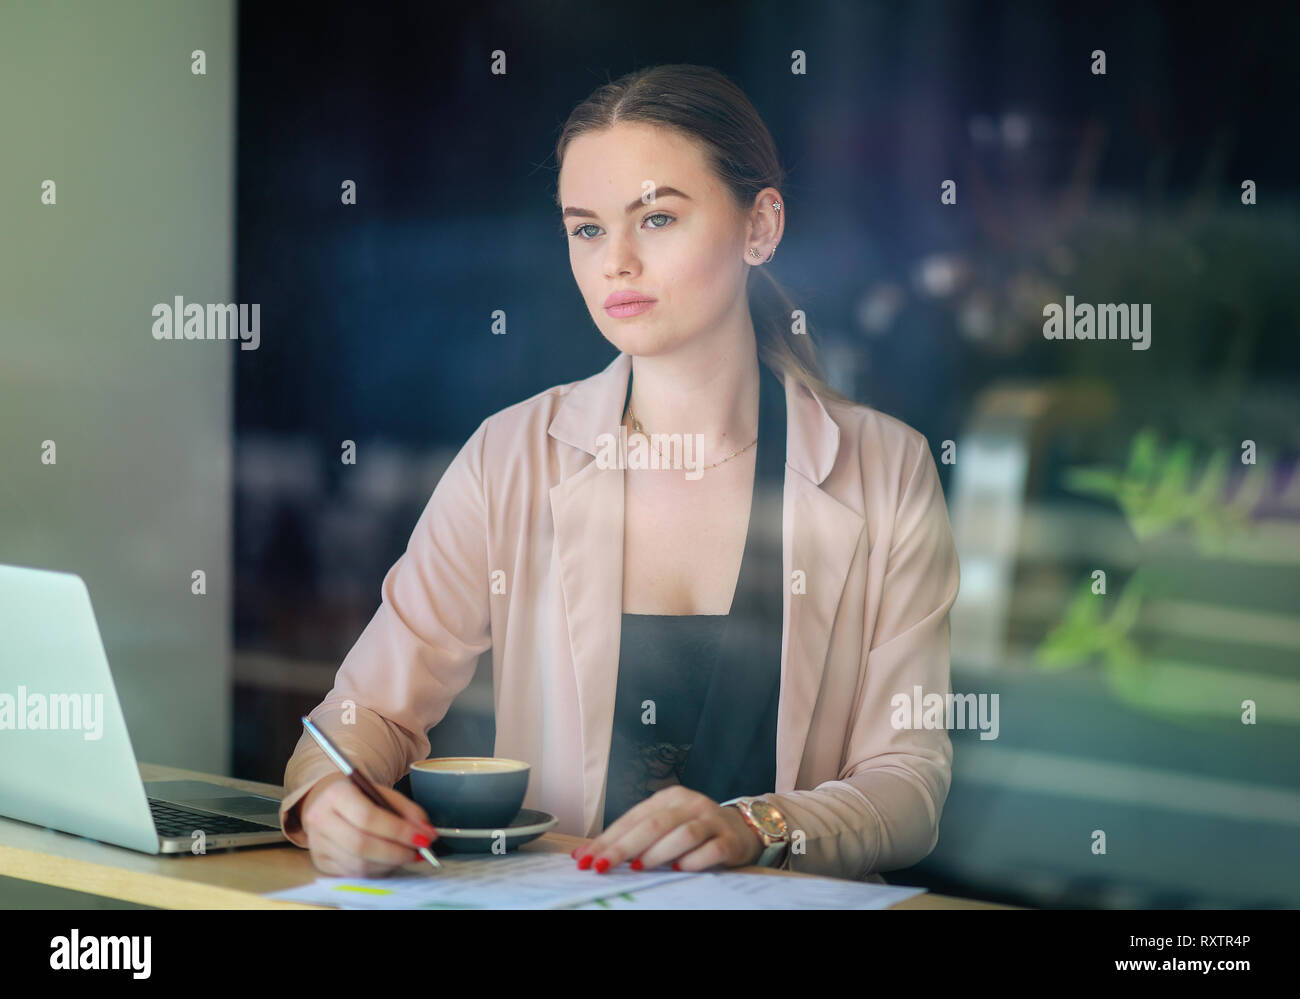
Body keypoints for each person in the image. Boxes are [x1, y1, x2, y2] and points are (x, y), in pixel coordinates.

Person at [281, 63, 960, 882]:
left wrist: (760, 825)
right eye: (588, 229)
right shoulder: (512, 455)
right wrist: (326, 797)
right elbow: (365, 714)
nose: (617, 263)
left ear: (761, 226)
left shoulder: (885, 467)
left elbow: (909, 783)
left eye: (659, 218)